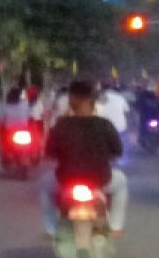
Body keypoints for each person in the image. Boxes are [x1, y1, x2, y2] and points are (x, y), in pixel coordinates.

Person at [41, 81, 128, 238]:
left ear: (71, 100)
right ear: (92, 100)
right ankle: (115, 226)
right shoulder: (105, 125)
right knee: (121, 182)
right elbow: (118, 151)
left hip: (65, 180)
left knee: (45, 185)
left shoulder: (60, 126)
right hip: (101, 180)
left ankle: (51, 228)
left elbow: (49, 154)